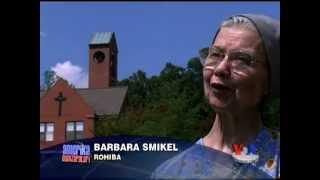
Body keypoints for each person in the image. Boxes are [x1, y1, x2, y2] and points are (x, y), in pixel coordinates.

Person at [151, 14, 280, 179]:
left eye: (241, 59)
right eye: (215, 55)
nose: (220, 69)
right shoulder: (170, 172)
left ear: (269, 80)